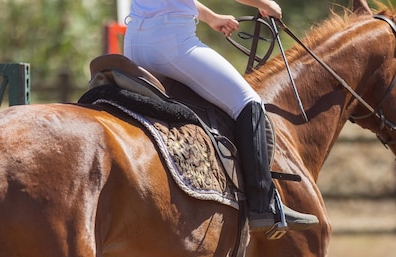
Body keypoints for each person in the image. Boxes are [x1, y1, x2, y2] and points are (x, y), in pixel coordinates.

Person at [123, 0, 318, 235]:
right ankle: (262, 204)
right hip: (172, 43)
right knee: (249, 102)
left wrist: (211, 17)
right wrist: (265, 4)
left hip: (134, 42)